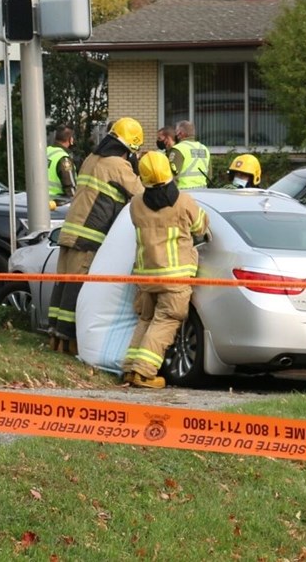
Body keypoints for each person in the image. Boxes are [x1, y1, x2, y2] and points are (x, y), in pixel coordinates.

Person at [49, 117, 146, 355]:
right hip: (90, 236)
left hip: (70, 231)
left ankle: (55, 337)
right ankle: (69, 342)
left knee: (64, 283)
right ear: (130, 149)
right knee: (77, 288)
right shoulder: (117, 165)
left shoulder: (92, 159)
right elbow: (142, 195)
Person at [120, 151, 210, 388]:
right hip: (175, 279)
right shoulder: (184, 201)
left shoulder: (136, 204)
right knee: (166, 321)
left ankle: (130, 368)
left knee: (146, 320)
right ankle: (144, 372)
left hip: (146, 277)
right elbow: (201, 226)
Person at [168, 120, 211, 189]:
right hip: (203, 191)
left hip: (184, 192)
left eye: (176, 132)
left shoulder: (178, 149)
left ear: (180, 133)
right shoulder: (204, 148)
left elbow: (172, 176)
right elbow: (209, 176)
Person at [45, 125, 78, 202]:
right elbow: (70, 186)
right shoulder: (64, 158)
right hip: (58, 203)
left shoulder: (45, 151)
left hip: (40, 202)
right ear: (70, 140)